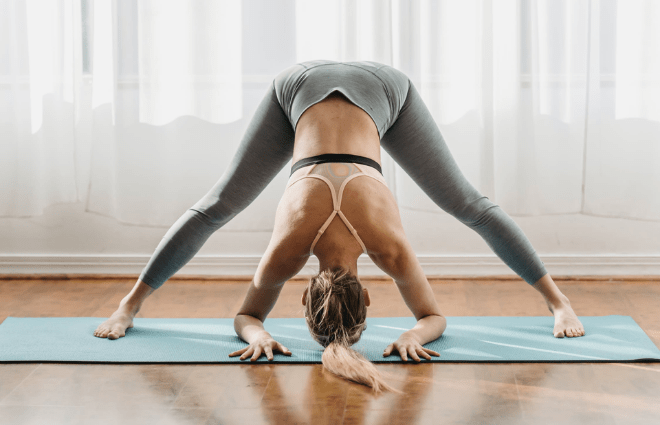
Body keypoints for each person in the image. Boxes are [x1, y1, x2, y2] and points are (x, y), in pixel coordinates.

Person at [94, 60, 585, 392]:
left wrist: (415, 334)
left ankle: (127, 307)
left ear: (368, 296)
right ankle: (558, 304)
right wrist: (256, 334)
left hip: (355, 88)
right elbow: (246, 318)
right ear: (305, 295)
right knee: (469, 205)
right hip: (317, 86)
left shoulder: (386, 251)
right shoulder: (290, 252)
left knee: (218, 205)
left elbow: (433, 319)